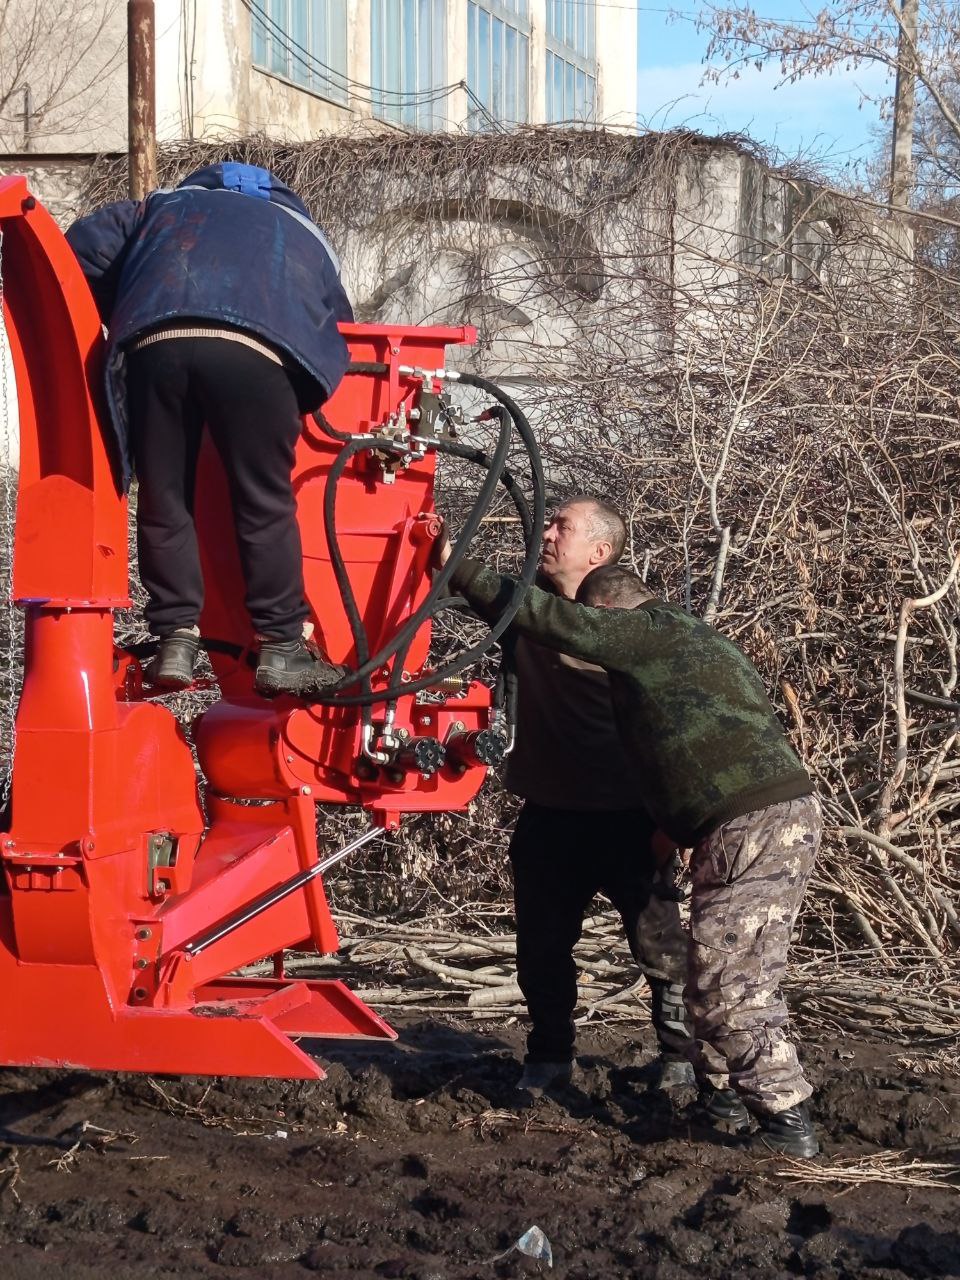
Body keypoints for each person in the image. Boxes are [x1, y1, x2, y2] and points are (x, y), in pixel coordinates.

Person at [442, 548, 822, 1159]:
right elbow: (699, 739)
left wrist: (460, 564)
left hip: (750, 824)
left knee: (730, 980)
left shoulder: (647, 632)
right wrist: (674, 824)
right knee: (711, 970)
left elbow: (567, 626)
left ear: (610, 608)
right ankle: (721, 1100)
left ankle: (787, 1123)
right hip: (734, 822)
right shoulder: (697, 641)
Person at [65, 162, 353, 696]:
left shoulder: (161, 206)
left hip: (156, 344)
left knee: (164, 498)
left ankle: (175, 636)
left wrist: (131, 301)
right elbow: (341, 326)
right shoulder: (303, 234)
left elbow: (79, 249)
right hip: (258, 353)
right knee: (263, 502)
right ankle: (281, 648)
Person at [494, 496, 694, 1097]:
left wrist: (673, 818)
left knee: (660, 945)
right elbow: (454, 576)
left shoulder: (634, 624)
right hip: (551, 812)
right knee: (542, 946)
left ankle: (681, 1058)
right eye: (547, 522)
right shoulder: (527, 608)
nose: (546, 533)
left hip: (628, 815)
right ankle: (550, 1057)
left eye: (563, 526)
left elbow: (678, 728)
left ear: (600, 552)